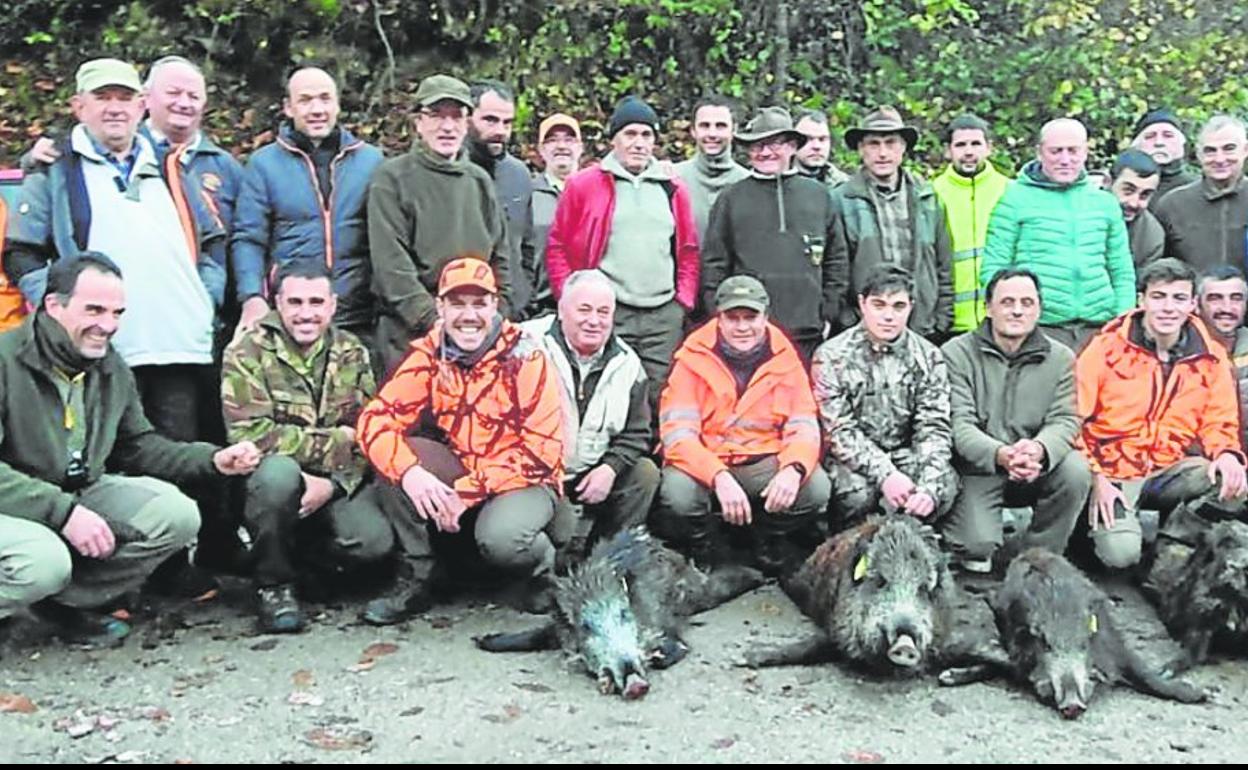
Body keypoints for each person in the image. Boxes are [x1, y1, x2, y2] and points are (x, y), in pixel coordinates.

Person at [0, 254, 259, 644]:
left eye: (117, 312)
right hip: (13, 503)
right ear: (53, 306)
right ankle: (32, 590)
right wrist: (63, 512)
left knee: (176, 515)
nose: (108, 325)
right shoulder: (5, 359)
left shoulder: (108, 364)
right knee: (41, 562)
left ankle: (62, 603)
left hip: (70, 492)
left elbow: (138, 447)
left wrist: (213, 460)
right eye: (94, 310)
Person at [354, 257, 563, 625]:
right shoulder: (430, 353)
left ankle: (541, 571)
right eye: (458, 304)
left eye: (479, 304)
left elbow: (540, 452)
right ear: (440, 308)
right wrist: (409, 474)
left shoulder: (526, 355)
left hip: (523, 479)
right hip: (464, 466)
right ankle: (420, 574)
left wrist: (466, 491)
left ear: (494, 306)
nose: (469, 316)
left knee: (501, 538)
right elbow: (375, 419)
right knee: (396, 454)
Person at [221, 261, 396, 632]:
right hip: (270, 478)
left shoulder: (352, 351)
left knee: (372, 542)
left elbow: (369, 433)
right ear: (277, 303)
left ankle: (307, 565)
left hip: (334, 481)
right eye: (295, 302)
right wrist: (336, 443)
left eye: (316, 302)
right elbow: (252, 436)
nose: (306, 314)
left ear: (332, 305)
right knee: (277, 476)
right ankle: (274, 586)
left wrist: (331, 484)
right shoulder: (247, 351)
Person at [1076, 258, 1247, 569]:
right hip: (1113, 469)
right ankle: (1089, 529)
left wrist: (1226, 454)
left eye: (1179, 298)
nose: (1169, 308)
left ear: (1193, 304)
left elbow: (1219, 421)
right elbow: (1073, 420)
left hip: (1168, 468)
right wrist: (1095, 476)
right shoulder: (1105, 348)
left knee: (1231, 483)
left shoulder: (1212, 357)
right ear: (1142, 300)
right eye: (1159, 297)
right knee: (1120, 556)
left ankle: (1170, 548)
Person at [654, 276, 829, 574]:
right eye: (732, 318)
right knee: (678, 493)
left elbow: (804, 426)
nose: (742, 326)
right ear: (718, 318)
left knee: (815, 489)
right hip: (707, 463)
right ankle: (703, 543)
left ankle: (765, 536)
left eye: (751, 317)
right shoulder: (691, 358)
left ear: (765, 317)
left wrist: (793, 468)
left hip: (763, 462)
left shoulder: (786, 359)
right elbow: (677, 436)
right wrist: (718, 476)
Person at [545, 95, 699, 402]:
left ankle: (652, 451)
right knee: (606, 390)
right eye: (630, 134)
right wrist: (570, 296)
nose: (638, 143)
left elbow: (689, 250)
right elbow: (557, 245)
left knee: (659, 392)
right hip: (609, 311)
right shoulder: (584, 184)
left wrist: (682, 301)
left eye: (646, 135)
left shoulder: (673, 188)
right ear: (614, 139)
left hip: (662, 314)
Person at [940, 269, 1089, 572]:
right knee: (975, 547)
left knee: (1075, 470)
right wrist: (1000, 454)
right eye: (1007, 302)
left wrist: (1039, 450)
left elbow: (1065, 419)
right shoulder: (955, 353)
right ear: (988, 307)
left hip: (1036, 467)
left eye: (1027, 302)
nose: (1017, 310)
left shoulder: (1061, 358)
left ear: (1039, 309)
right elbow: (958, 424)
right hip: (979, 468)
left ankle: (1040, 558)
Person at [368, 74, 512, 374]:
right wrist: (436, 322)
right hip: (410, 339)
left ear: (467, 123)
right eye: (436, 115)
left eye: (456, 116)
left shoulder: (480, 181)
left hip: (478, 337)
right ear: (418, 123)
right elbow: (391, 267)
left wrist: (493, 319)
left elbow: (503, 259)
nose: (447, 126)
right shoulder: (392, 179)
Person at [231, 67, 384, 342]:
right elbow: (248, 238)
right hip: (293, 317)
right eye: (305, 100)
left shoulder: (371, 162)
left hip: (359, 316)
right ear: (288, 108)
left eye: (325, 99)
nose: (317, 109)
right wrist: (252, 297)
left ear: (338, 105)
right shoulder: (264, 165)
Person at [520, 270, 657, 560]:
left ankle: (606, 562)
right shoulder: (525, 344)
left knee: (644, 475)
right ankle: (539, 571)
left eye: (603, 312)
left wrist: (610, 468)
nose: (594, 320)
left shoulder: (628, 365)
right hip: (533, 475)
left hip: (590, 471)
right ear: (561, 310)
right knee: (540, 535)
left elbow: (638, 432)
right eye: (584, 310)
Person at [700, 106, 848, 359]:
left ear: (792, 146)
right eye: (757, 146)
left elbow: (837, 258)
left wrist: (828, 311)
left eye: (775, 144)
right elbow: (715, 263)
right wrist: (722, 315)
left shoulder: (819, 195)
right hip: (749, 332)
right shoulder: (731, 198)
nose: (766, 152)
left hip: (807, 331)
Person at [814, 265, 956, 526]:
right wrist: (886, 474)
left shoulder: (929, 356)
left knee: (942, 486)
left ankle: (917, 545)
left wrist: (928, 486)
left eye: (898, 306)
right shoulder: (831, 356)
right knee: (856, 494)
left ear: (911, 306)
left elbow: (934, 426)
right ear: (862, 304)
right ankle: (846, 549)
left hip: (906, 452)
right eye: (879, 305)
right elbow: (838, 431)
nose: (888, 316)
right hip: (853, 460)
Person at [981, 117, 1134, 351]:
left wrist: (1123, 320)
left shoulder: (1105, 203)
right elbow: (994, 268)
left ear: (1085, 152)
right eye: (1056, 151)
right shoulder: (1014, 200)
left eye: (1073, 151)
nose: (1065, 160)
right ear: (1039, 152)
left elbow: (1121, 269)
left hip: (1100, 329)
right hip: (1040, 329)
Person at [827, 106, 953, 339]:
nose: (882, 153)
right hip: (861, 329)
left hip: (921, 327)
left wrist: (941, 320)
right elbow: (836, 268)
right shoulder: (841, 200)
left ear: (903, 147)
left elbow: (944, 265)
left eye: (890, 143)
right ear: (861, 149)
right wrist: (847, 320)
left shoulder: (927, 198)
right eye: (874, 144)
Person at [930, 114, 1010, 334]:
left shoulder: (1010, 192)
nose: (968, 152)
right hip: (949, 325)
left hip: (1002, 321)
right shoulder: (931, 194)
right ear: (948, 150)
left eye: (976, 144)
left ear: (989, 148)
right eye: (961, 145)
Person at [1153, 114, 1248, 273]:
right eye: (1210, 151)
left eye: (1229, 149)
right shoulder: (1172, 205)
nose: (1219, 159)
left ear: (1245, 150)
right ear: (1198, 155)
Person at [468, 79, 531, 310]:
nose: (500, 131)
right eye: (490, 120)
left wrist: (523, 298)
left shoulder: (519, 175)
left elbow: (527, 245)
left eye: (507, 123)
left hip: (510, 310)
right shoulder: (448, 173)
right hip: (460, 309)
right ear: (467, 118)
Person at [520, 113, 583, 319]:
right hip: (540, 307)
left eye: (569, 139)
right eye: (552, 140)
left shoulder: (597, 192)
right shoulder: (526, 193)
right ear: (541, 150)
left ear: (580, 147)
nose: (561, 146)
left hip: (589, 307)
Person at [674, 95, 749, 240]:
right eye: (705, 126)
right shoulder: (674, 179)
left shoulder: (747, 184)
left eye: (720, 126)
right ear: (693, 131)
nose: (712, 134)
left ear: (734, 130)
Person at [1196, 264, 1248, 451]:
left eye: (1236, 299)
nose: (1227, 308)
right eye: (1215, 299)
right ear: (1197, 304)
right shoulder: (1183, 353)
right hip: (1204, 462)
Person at [1130, 109, 1199, 208]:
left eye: (1168, 136)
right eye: (1150, 136)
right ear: (1136, 145)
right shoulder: (1124, 187)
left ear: (1181, 144)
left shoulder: (1197, 188)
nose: (1159, 142)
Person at [1107, 149, 1163, 267]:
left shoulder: (1151, 234)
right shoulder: (1078, 210)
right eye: (1128, 191)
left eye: (1145, 195)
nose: (1134, 203)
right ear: (1108, 182)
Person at [793, 108, 850, 188]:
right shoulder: (777, 184)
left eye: (822, 139)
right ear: (792, 142)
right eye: (808, 139)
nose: (817, 146)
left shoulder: (845, 185)